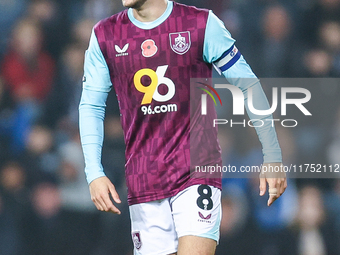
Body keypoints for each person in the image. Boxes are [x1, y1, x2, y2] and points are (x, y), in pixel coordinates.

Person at [79, 0, 287, 254]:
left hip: (196, 170)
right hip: (144, 177)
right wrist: (94, 172)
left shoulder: (200, 24)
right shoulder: (105, 34)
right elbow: (91, 105)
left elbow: (249, 85)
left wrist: (273, 155)